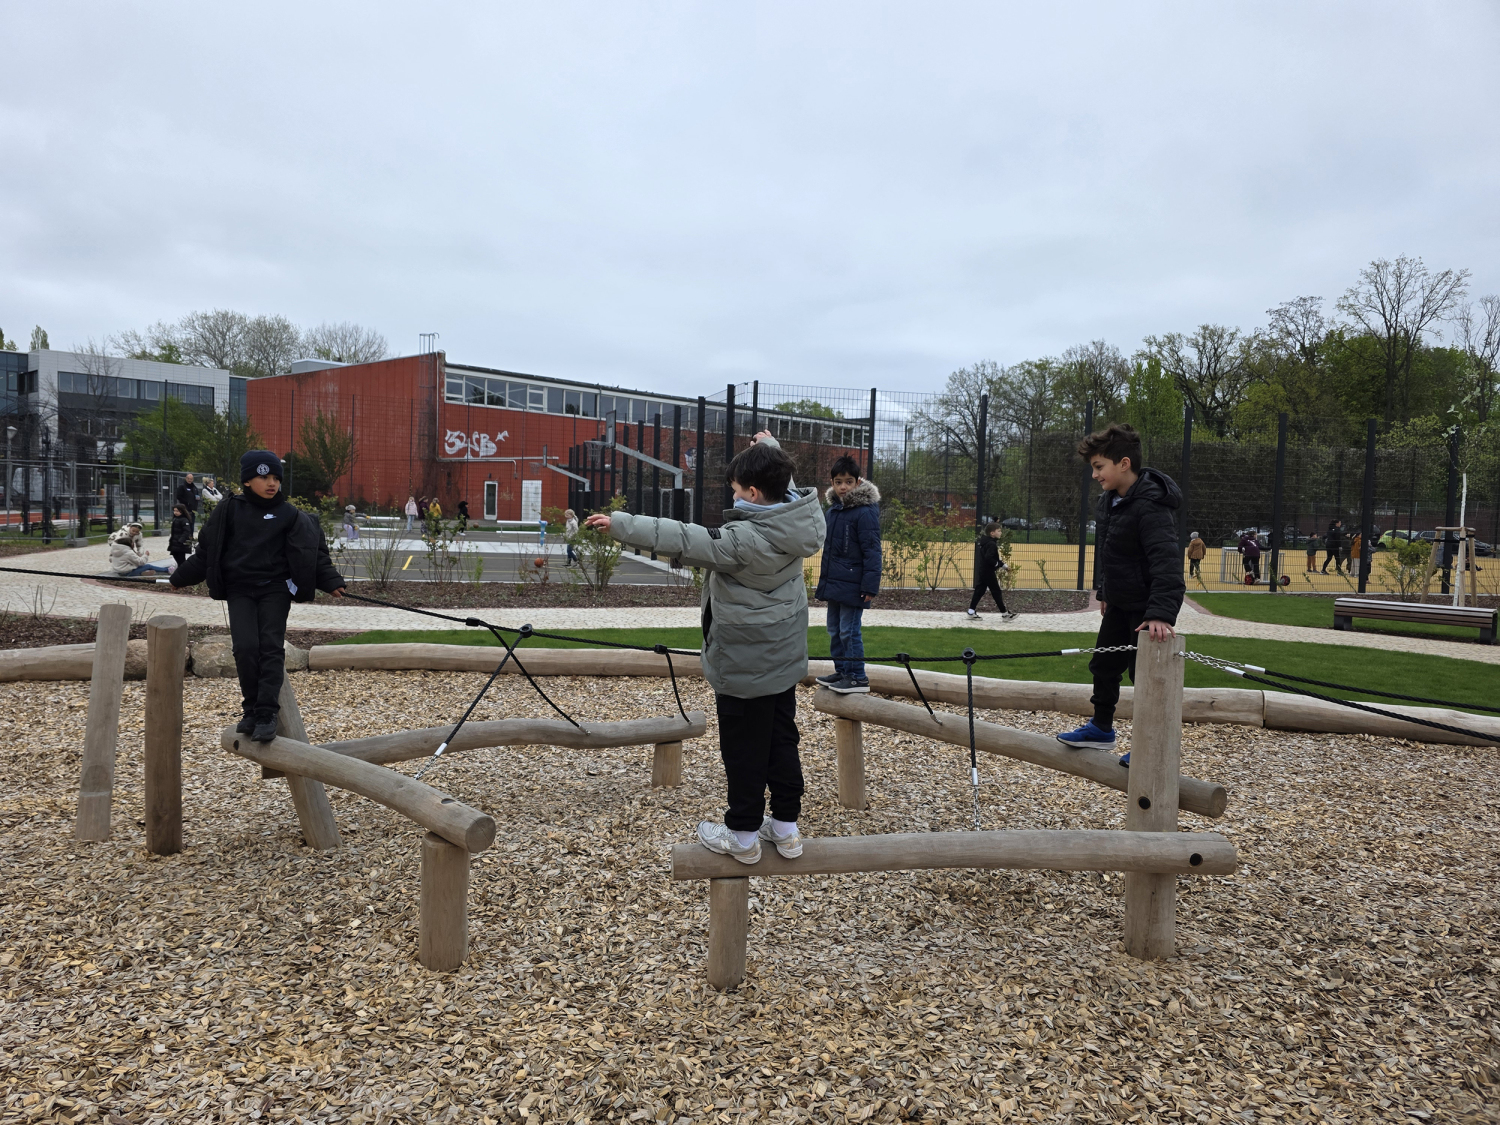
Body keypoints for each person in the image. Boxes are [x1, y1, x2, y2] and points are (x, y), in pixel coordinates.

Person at [585, 432, 824, 865]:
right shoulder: (802, 524)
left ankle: (743, 835)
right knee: (781, 740)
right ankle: (786, 829)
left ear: (752, 493)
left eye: (735, 489)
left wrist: (619, 524)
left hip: (743, 666)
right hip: (783, 661)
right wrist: (769, 451)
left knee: (743, 749)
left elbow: (680, 537)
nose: (732, 494)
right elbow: (785, 491)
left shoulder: (743, 539)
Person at [169, 451, 346, 742]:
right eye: (264, 477)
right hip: (240, 590)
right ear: (248, 481)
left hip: (275, 589)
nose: (271, 483)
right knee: (246, 647)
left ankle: (266, 713)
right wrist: (180, 578)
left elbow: (312, 554)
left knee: (270, 648)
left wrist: (330, 581)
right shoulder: (228, 510)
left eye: (276, 477)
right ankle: (250, 709)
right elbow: (207, 553)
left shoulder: (291, 515)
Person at [1056, 423, 1184, 767]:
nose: (1095, 474)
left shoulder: (1152, 506)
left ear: (1123, 463)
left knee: (1145, 677)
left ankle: (1149, 744)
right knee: (1103, 664)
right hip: (1119, 602)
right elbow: (1111, 552)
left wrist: (1160, 613)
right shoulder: (1109, 502)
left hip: (1145, 610)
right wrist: (1105, 592)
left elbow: (1166, 562)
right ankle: (1101, 728)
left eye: (1099, 467)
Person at [813, 455, 882, 693]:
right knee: (834, 629)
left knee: (849, 631)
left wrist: (869, 586)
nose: (843, 486)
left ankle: (857, 676)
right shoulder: (833, 512)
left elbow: (872, 550)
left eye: (849, 481)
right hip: (835, 584)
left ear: (857, 482)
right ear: (832, 482)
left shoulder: (864, 512)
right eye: (839, 481)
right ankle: (842, 671)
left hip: (854, 584)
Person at [966, 521, 1016, 620]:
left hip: (983, 570)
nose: (1000, 532)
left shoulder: (985, 543)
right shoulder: (991, 544)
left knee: (979, 590)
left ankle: (971, 612)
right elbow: (990, 559)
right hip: (988, 571)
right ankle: (1005, 614)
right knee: (996, 591)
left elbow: (990, 558)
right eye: (999, 531)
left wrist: (1004, 566)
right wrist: (999, 564)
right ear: (992, 533)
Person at [168, 503, 194, 570]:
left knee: (181, 559)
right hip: (175, 543)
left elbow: (187, 531)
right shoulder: (176, 519)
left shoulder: (184, 520)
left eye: (177, 511)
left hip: (180, 544)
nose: (175, 512)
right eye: (174, 511)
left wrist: (181, 540)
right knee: (176, 557)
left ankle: (184, 571)